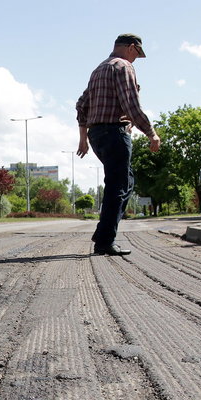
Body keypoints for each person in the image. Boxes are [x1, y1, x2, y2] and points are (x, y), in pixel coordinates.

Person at [76, 33, 161, 256]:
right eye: (137, 54)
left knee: (124, 182)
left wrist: (83, 137)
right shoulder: (123, 66)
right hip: (115, 132)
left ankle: (103, 232)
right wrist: (151, 133)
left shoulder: (98, 70)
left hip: (97, 134)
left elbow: (81, 104)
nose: (136, 60)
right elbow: (131, 103)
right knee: (118, 186)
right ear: (131, 48)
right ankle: (104, 240)